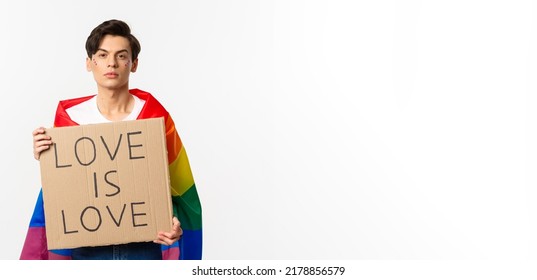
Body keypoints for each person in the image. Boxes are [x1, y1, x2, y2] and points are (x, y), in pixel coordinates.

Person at [19, 19, 202, 260]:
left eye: (121, 56)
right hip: (85, 250)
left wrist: (175, 228)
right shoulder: (70, 118)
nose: (111, 63)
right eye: (103, 55)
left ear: (133, 63)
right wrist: (44, 154)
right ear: (89, 63)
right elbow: (62, 190)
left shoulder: (156, 118)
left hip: (143, 249)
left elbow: (178, 189)